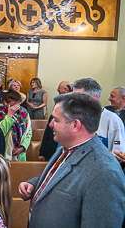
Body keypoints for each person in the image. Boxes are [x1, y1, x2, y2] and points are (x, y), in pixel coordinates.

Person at [18, 92, 125, 228]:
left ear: (75, 125)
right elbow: (60, 176)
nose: (50, 124)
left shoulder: (105, 173)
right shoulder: (67, 147)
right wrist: (35, 184)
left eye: (56, 120)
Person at [72, 78, 125, 159]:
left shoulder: (112, 120)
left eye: (79, 97)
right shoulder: (72, 117)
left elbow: (118, 155)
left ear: (94, 98)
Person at [38, 81, 71, 161]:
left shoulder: (73, 110)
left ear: (66, 89)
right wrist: (42, 152)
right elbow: (48, 131)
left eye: (59, 88)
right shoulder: (58, 106)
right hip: (51, 151)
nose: (57, 89)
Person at [0, 90, 32, 161]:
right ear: (5, 103)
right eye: (12, 105)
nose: (16, 107)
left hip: (20, 155)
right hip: (5, 154)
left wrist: (23, 147)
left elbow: (29, 132)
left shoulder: (23, 112)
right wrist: (9, 115)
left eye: (17, 104)